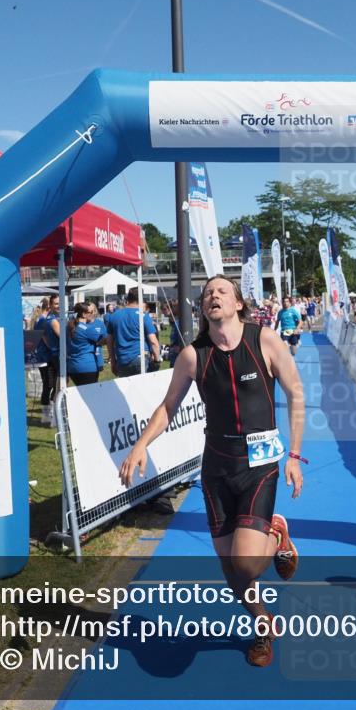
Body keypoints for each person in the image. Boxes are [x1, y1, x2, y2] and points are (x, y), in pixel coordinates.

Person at [118, 275, 305, 668]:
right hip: (217, 467)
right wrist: (140, 445)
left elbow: (296, 394)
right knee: (231, 571)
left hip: (259, 465)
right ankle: (262, 626)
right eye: (207, 294)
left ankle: (276, 532)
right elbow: (168, 407)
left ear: (238, 303)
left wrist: (294, 455)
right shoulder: (192, 355)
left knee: (247, 563)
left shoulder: (265, 340)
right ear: (203, 309)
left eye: (221, 291)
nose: (213, 296)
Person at [106, 287, 161, 377]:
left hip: (122, 359)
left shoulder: (114, 316)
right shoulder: (143, 316)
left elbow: (109, 341)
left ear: (128, 298)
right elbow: (153, 342)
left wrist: (113, 361)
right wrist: (157, 360)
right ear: (141, 299)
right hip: (140, 358)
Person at [34, 294, 62, 425]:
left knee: (52, 385)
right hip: (45, 357)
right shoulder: (43, 320)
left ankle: (51, 414)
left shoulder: (50, 318)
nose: (58, 305)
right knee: (49, 385)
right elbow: (41, 337)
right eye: (55, 303)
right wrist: (50, 347)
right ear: (49, 306)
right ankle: (47, 415)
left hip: (49, 356)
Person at [66, 302, 106, 386]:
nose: (93, 314)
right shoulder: (87, 329)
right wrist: (100, 341)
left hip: (72, 367)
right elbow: (104, 340)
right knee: (91, 396)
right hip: (87, 366)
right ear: (84, 314)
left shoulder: (69, 326)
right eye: (91, 312)